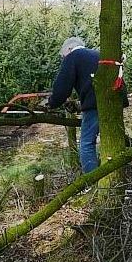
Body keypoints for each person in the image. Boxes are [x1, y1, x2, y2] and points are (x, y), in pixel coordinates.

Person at [47, 36, 102, 173]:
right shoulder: (97, 54)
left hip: (95, 104)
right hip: (112, 101)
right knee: (109, 138)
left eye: (63, 55)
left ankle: (92, 181)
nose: (63, 59)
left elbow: (62, 87)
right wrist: (78, 104)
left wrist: (52, 103)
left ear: (69, 49)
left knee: (86, 144)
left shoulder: (73, 56)